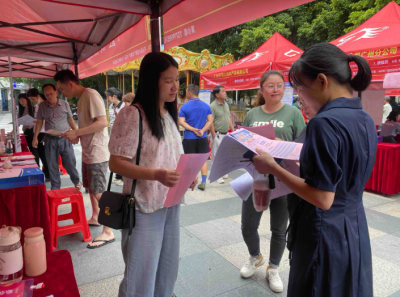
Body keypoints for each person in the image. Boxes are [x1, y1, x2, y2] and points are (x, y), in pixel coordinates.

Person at [252, 43, 376, 297]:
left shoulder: (323, 123)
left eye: (300, 89)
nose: (300, 98)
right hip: (353, 226)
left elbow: (322, 197)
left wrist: (274, 167)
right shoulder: (363, 116)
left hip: (322, 232)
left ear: (322, 81)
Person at [108, 52, 198, 297]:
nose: (174, 86)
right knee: (141, 274)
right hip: (143, 207)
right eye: (167, 80)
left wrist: (188, 174)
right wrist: (155, 174)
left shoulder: (167, 116)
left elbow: (172, 155)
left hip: (169, 202)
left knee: (167, 268)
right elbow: (115, 163)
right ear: (151, 81)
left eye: (176, 80)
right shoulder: (132, 115)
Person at [239, 70, 306, 293]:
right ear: (261, 89)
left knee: (279, 228)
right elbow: (245, 145)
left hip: (284, 179)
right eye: (270, 85)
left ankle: (273, 267)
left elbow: (303, 149)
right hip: (257, 178)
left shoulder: (294, 113)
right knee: (248, 225)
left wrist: (278, 143)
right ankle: (255, 256)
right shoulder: (252, 114)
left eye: (279, 85)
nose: (275, 89)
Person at [55, 70, 113, 250]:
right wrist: (76, 136)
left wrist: (77, 132)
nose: (62, 93)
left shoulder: (91, 95)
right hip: (89, 151)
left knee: (99, 191)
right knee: (91, 188)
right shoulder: (81, 99)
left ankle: (109, 230)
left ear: (71, 84)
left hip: (97, 152)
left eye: (62, 89)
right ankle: (96, 216)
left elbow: (103, 122)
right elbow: (88, 125)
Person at [33, 84, 81, 190]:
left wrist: (76, 133)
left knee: (70, 163)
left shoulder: (65, 104)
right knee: (52, 165)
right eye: (46, 95)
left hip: (65, 139)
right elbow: (39, 122)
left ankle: (76, 180)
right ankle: (55, 187)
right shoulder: (42, 106)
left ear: (56, 92)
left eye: (51, 93)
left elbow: (70, 120)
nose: (49, 96)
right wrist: (35, 137)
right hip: (50, 140)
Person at [178, 84, 213, 190]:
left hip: (189, 138)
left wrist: (192, 129)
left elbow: (181, 122)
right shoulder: (206, 106)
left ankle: (190, 181)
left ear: (189, 93)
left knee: (189, 160)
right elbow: (210, 120)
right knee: (202, 160)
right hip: (202, 137)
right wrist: (202, 130)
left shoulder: (184, 107)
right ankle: (203, 182)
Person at [210, 85, 235, 184]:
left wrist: (232, 130)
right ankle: (217, 175)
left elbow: (228, 118)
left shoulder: (226, 104)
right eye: (223, 91)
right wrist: (213, 136)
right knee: (216, 155)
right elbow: (210, 122)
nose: (225, 93)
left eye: (225, 91)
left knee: (224, 154)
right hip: (217, 134)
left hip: (225, 134)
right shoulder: (212, 106)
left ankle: (222, 172)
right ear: (217, 94)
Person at [27, 88, 49, 179]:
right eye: (30, 100)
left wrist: (35, 122)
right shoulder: (37, 106)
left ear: (38, 96)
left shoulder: (46, 105)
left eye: (33, 99)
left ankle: (48, 172)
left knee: (44, 154)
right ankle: (44, 172)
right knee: (39, 153)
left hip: (44, 132)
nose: (31, 101)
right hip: (37, 132)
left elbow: (45, 120)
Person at [105, 87, 125, 186]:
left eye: (108, 97)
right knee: (116, 155)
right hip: (114, 135)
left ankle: (121, 177)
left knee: (122, 157)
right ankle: (118, 176)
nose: (107, 99)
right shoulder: (111, 107)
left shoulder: (125, 106)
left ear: (114, 96)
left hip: (123, 136)